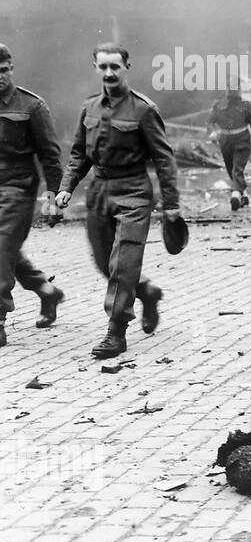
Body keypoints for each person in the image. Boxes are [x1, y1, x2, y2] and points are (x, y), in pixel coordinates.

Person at [55, 42, 182, 360]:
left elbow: (164, 160)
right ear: (95, 67)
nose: (109, 73)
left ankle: (116, 331)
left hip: (133, 192)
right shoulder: (90, 107)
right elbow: (79, 154)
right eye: (103, 67)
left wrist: (171, 205)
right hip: (99, 191)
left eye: (115, 67)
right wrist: (67, 186)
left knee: (123, 263)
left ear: (127, 67)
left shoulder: (144, 109)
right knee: (103, 262)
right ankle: (146, 292)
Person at [0, 44, 65, 348]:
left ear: (11, 68)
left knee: (1, 248)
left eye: (3, 70)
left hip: (18, 190)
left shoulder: (31, 106)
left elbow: (50, 154)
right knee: (4, 250)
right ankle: (45, 289)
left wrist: (52, 195)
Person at [207, 85, 251, 212]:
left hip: (225, 142)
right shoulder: (245, 105)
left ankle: (242, 195)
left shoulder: (218, 105)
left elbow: (210, 122)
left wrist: (213, 132)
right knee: (237, 169)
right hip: (242, 141)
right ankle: (237, 194)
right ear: (239, 91)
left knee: (232, 169)